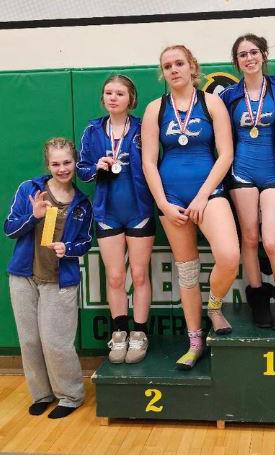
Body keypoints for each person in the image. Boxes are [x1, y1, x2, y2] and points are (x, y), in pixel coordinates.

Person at [140, 45, 241, 370]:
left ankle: (214, 306)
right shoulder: (155, 109)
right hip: (171, 200)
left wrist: (202, 196)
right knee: (187, 272)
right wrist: (163, 204)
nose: (173, 69)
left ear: (192, 67)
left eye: (179, 63)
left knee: (229, 256)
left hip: (208, 194)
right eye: (167, 65)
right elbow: (148, 162)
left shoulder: (211, 103)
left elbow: (226, 154)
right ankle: (195, 341)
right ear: (163, 72)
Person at [5, 138, 93, 418]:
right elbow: (9, 229)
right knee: (29, 341)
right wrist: (33, 216)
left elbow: (86, 242)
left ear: (75, 163)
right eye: (56, 164)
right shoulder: (29, 190)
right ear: (48, 165)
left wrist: (69, 249)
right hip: (24, 277)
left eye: (67, 162)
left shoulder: (82, 204)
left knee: (56, 342)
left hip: (59, 280)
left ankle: (70, 396)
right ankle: (42, 394)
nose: (62, 168)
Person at [219, 34, 275, 330]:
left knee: (272, 241)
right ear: (236, 61)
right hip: (242, 172)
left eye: (254, 52)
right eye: (242, 55)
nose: (249, 58)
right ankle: (258, 299)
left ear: (264, 55)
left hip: (274, 172)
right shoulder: (229, 96)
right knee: (250, 239)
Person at [77, 75, 154, 364]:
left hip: (139, 211)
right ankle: (119, 332)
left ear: (131, 99)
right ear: (103, 98)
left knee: (139, 275)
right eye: (108, 92)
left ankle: (140, 333)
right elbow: (82, 170)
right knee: (115, 276)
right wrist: (96, 167)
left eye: (119, 93)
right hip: (107, 212)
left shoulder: (143, 128)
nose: (113, 97)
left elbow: (155, 164)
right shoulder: (93, 130)